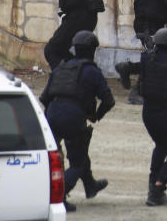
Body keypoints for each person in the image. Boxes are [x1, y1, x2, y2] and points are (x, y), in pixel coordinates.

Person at [116, 27, 167, 207]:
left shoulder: (147, 59)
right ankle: (158, 186)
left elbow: (159, 58)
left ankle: (153, 186)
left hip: (149, 113)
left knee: (160, 145)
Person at [40, 30, 114, 212]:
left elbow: (44, 98)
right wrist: (96, 115)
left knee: (59, 157)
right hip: (73, 118)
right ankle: (59, 197)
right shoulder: (92, 71)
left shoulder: (61, 67)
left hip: (51, 115)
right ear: (92, 50)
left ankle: (90, 186)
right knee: (78, 162)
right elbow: (108, 100)